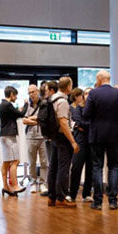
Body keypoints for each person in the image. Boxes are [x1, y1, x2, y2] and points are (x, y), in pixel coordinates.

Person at [83, 70, 118, 210]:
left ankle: (97, 201)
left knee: (97, 166)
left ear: (98, 79)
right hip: (115, 135)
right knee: (114, 166)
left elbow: (86, 114)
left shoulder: (93, 93)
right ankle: (113, 200)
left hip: (97, 134)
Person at [47, 77, 79, 208]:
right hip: (62, 137)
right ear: (69, 87)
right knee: (63, 168)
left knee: (53, 167)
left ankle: (52, 197)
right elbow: (64, 123)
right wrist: (73, 141)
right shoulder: (63, 102)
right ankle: (61, 197)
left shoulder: (51, 99)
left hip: (54, 136)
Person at [0, 86, 26, 196]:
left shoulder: (2, 105)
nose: (16, 97)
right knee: (15, 161)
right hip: (10, 135)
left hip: (4, 135)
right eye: (15, 95)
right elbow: (20, 114)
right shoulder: (7, 105)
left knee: (5, 162)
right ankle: (15, 186)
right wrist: (26, 104)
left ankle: (6, 186)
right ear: (11, 94)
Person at [21, 84, 48, 194]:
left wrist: (31, 119)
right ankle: (32, 182)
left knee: (43, 161)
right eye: (29, 93)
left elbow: (44, 119)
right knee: (31, 162)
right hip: (30, 137)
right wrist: (37, 120)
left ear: (37, 91)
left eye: (33, 92)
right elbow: (23, 120)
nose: (31, 94)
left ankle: (42, 183)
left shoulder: (44, 104)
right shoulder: (27, 105)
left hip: (42, 136)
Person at [68, 87, 92, 202]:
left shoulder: (94, 109)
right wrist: (89, 125)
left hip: (92, 141)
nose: (87, 95)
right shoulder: (78, 108)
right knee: (76, 167)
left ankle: (87, 194)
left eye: (89, 93)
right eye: (85, 93)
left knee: (90, 168)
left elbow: (94, 123)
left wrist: (86, 126)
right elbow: (78, 121)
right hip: (80, 140)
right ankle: (72, 194)